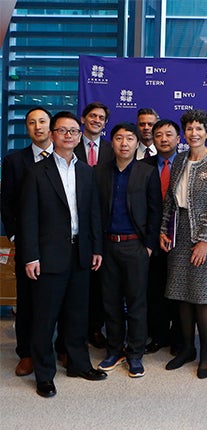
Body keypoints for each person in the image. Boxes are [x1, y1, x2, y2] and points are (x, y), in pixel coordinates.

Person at [20, 111, 107, 397]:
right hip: (47, 256)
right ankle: (45, 375)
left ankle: (78, 364)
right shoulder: (36, 172)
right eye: (62, 130)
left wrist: (96, 247)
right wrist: (30, 256)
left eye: (73, 131)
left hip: (80, 252)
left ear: (80, 136)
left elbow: (93, 213)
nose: (69, 135)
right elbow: (28, 218)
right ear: (53, 135)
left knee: (77, 314)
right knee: (45, 318)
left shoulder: (85, 171)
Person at [160, 109, 207, 379]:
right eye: (189, 128)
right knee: (181, 294)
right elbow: (169, 199)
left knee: (202, 296)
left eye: (199, 129)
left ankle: (204, 354)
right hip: (178, 233)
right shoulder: (179, 160)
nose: (194, 133)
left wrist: (204, 241)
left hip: (205, 237)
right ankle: (187, 348)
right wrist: (163, 230)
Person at [95, 122, 162, 378]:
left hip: (136, 245)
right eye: (119, 138)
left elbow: (156, 211)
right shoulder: (100, 172)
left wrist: (148, 246)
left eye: (129, 138)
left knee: (136, 303)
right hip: (107, 246)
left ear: (137, 143)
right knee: (110, 302)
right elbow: (93, 212)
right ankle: (115, 349)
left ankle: (135, 354)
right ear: (111, 142)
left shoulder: (147, 172)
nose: (124, 143)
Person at [1, 107, 53, 376]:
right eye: (31, 123)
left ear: (51, 125)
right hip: (27, 241)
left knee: (62, 298)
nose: (38, 127)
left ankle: (63, 349)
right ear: (27, 128)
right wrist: (14, 237)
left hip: (59, 242)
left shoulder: (67, 157)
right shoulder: (14, 161)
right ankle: (26, 353)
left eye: (42, 121)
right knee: (28, 299)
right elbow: (6, 203)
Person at [74, 101, 115, 350]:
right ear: (83, 119)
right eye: (92, 116)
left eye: (101, 117)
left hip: (105, 226)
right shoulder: (68, 146)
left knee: (100, 284)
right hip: (75, 224)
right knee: (77, 281)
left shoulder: (113, 149)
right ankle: (74, 330)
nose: (96, 120)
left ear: (105, 123)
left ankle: (94, 328)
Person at [143, 119, 181, 355]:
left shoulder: (189, 164)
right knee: (154, 289)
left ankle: (179, 337)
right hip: (151, 239)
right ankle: (158, 335)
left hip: (181, 238)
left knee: (178, 290)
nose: (164, 139)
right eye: (159, 135)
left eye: (169, 135)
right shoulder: (142, 166)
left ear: (179, 139)